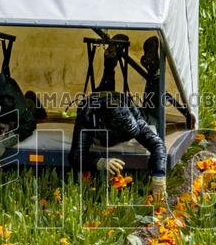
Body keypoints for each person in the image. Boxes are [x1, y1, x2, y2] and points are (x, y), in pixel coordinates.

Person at [69, 36, 167, 203]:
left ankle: (118, 65)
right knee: (105, 97)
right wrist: (100, 163)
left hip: (119, 102)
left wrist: (159, 176)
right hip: (98, 105)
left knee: (154, 119)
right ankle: (152, 72)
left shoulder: (133, 117)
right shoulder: (87, 118)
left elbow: (157, 144)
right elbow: (75, 156)